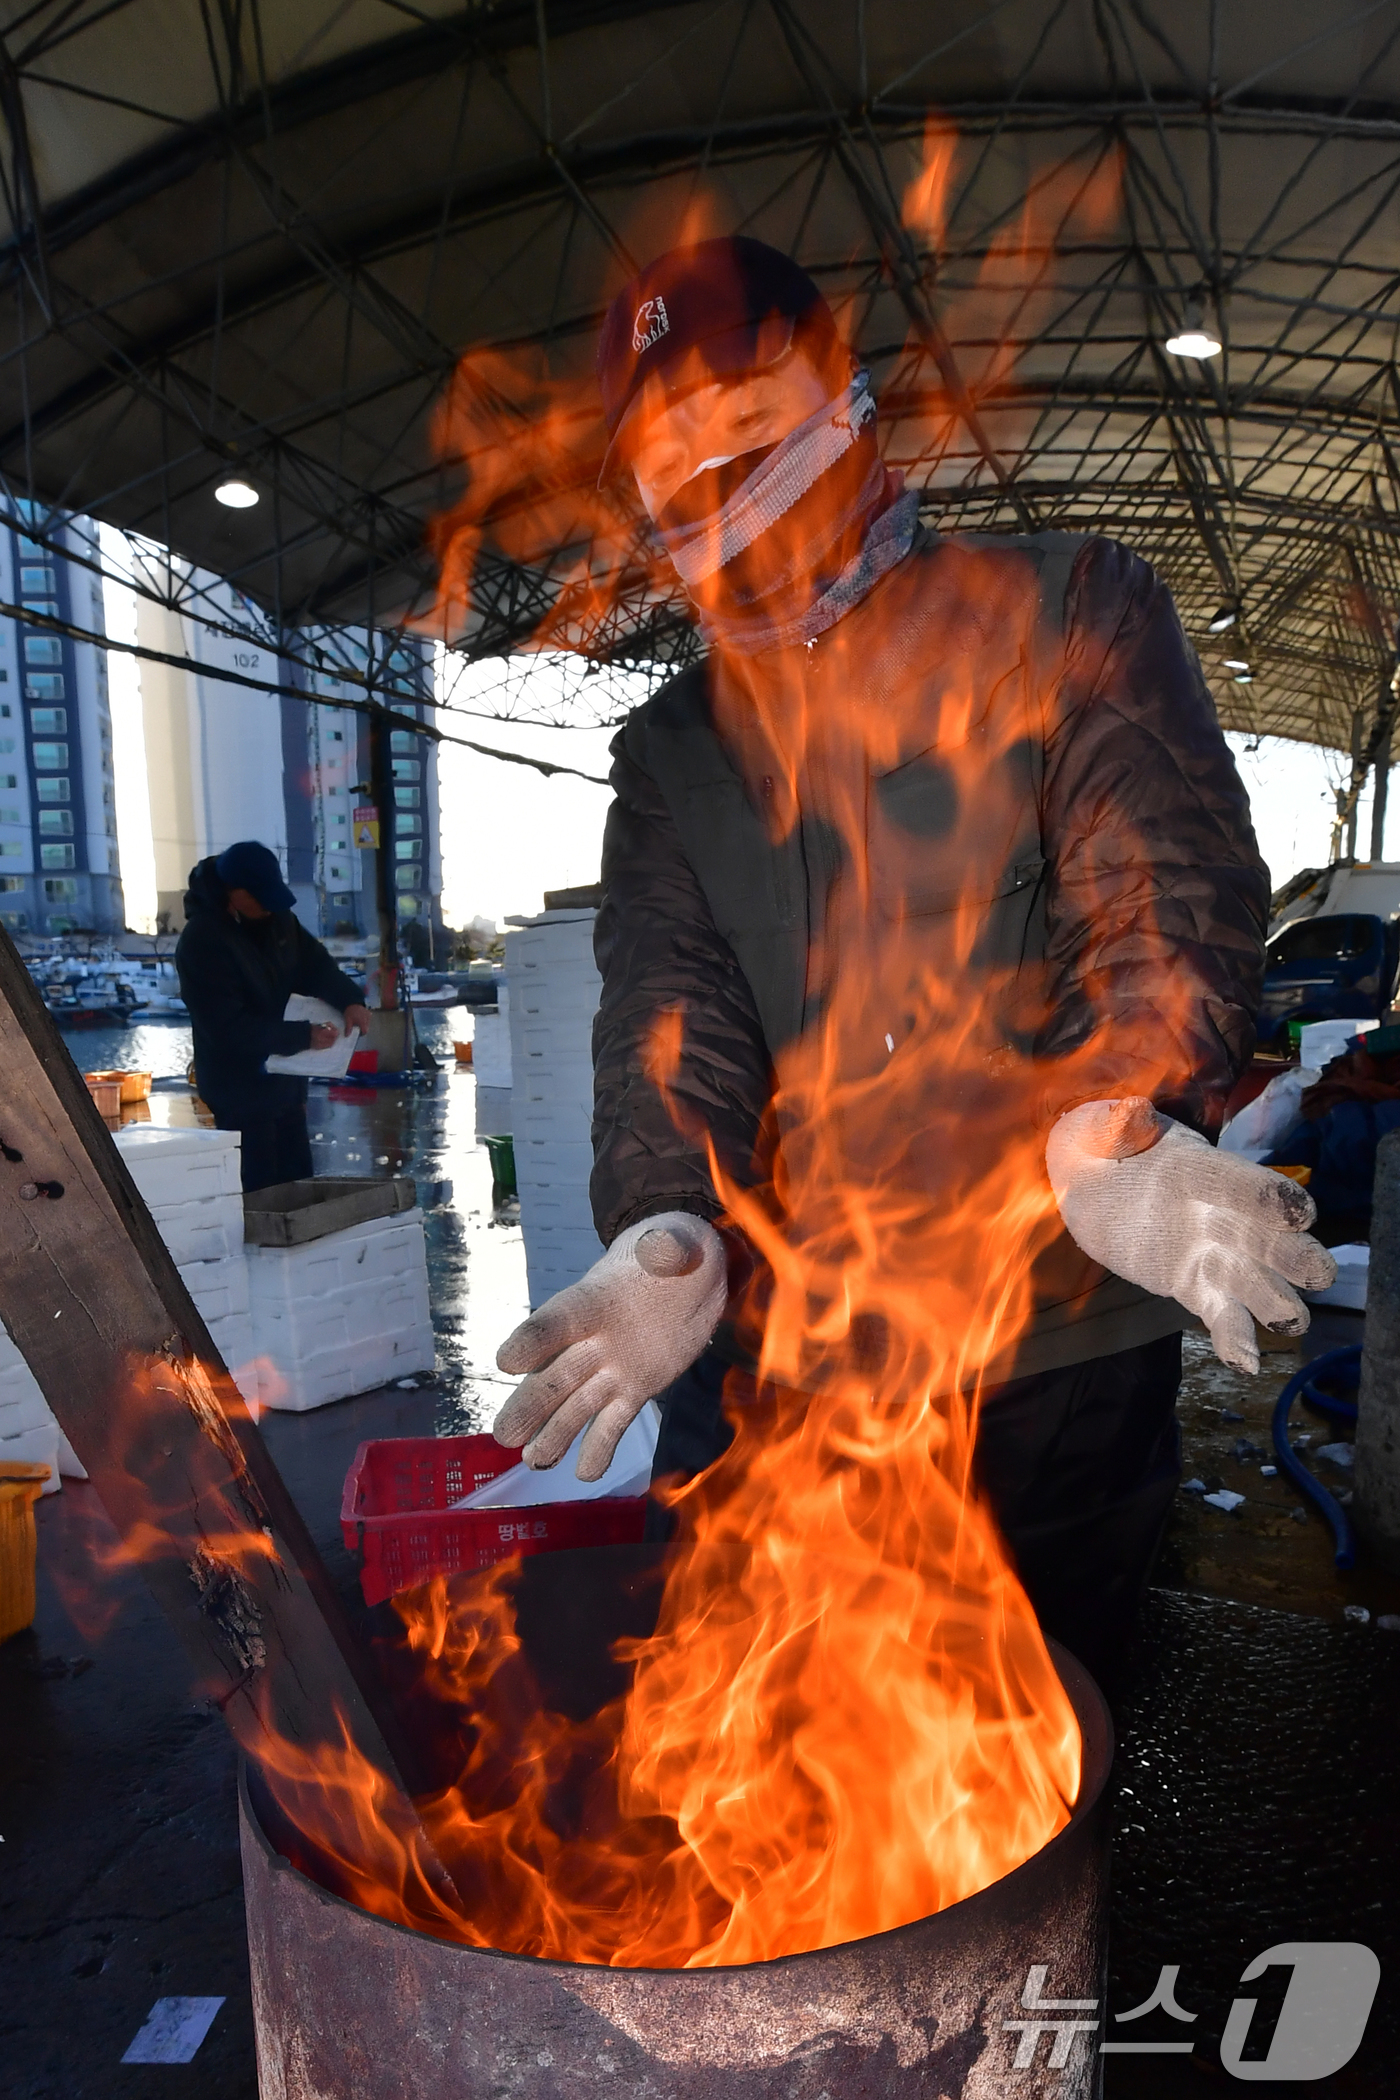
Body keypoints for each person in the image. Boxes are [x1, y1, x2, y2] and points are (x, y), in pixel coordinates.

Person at [490, 237, 1335, 1689]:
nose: (720, 488)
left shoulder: (1074, 614)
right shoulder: (675, 755)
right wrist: (663, 1235)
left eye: (750, 427)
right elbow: (670, 1033)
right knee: (762, 1766)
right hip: (770, 1379)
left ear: (846, 405)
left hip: (1045, 1370)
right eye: (672, 461)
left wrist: (1111, 1132)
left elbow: (1167, 912)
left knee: (1046, 1753)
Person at [175, 840, 371, 1193]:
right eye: (260, 898)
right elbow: (224, 1029)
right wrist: (301, 1037)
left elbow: (316, 966)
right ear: (233, 892)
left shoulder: (279, 918)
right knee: (260, 1192)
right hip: (238, 1091)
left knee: (298, 1185)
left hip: (286, 1081)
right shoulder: (201, 941)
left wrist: (350, 999)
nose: (269, 906)